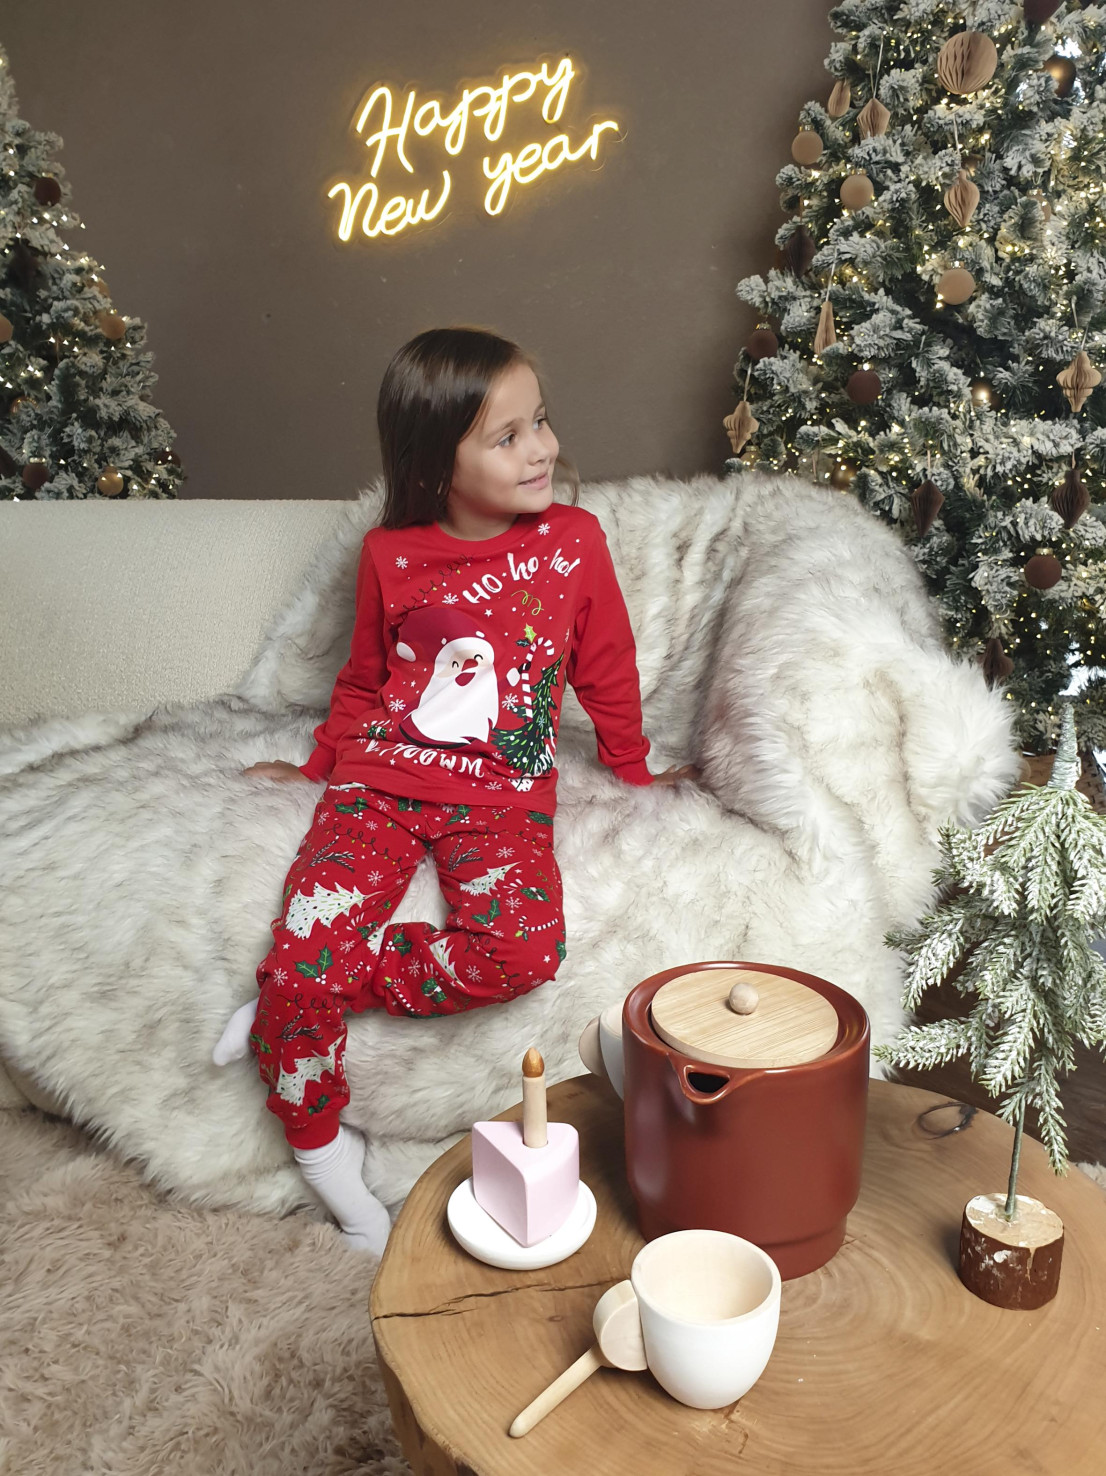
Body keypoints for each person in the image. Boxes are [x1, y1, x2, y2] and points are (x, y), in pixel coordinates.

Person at [214, 325, 700, 1253]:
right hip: (381, 783)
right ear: (436, 465)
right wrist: (317, 765)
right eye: (507, 437)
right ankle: (331, 1170)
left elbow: (605, 665)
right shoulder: (391, 554)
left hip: (500, 799)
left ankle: (301, 988)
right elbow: (365, 679)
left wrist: (635, 766)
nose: (541, 448)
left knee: (523, 950)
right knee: (310, 932)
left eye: (539, 422)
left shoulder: (572, 543)